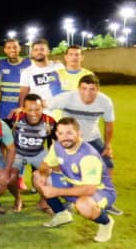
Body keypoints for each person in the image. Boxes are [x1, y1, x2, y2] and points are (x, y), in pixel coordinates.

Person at [48, 73, 123, 215]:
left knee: (108, 164)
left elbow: (109, 124)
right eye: (84, 89)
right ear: (78, 89)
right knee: (62, 167)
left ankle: (106, 199)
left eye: (92, 89)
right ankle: (69, 198)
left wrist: (107, 145)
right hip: (69, 139)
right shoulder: (66, 98)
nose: (87, 93)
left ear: (98, 89)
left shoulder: (105, 101)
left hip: (92, 138)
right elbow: (45, 106)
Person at [32, 117, 117, 243]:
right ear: (56, 134)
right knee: (37, 176)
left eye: (69, 133)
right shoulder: (57, 146)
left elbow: (89, 189)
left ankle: (106, 222)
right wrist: (43, 176)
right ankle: (62, 214)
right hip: (72, 184)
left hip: (99, 191)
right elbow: (45, 165)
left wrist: (56, 191)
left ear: (79, 133)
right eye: (61, 133)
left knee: (83, 205)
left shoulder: (88, 156)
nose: (65, 137)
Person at [4, 93, 56, 213]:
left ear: (42, 108)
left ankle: (43, 202)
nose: (33, 113)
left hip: (38, 153)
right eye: (29, 110)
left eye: (37, 109)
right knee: (9, 178)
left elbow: (58, 140)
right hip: (18, 153)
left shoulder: (49, 121)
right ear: (23, 109)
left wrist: (53, 159)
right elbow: (1, 128)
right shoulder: (16, 117)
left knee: (50, 175)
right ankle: (18, 200)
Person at [18, 38, 64, 112]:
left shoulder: (59, 67)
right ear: (32, 53)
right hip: (38, 113)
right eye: (36, 50)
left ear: (48, 51)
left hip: (58, 111)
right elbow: (23, 94)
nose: (39, 52)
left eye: (42, 49)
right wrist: (22, 109)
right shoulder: (27, 72)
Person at [0, 38, 31, 121]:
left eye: (15, 47)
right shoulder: (0, 64)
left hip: (23, 108)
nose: (12, 50)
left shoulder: (29, 63)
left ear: (20, 48)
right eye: (8, 47)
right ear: (5, 50)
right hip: (4, 110)